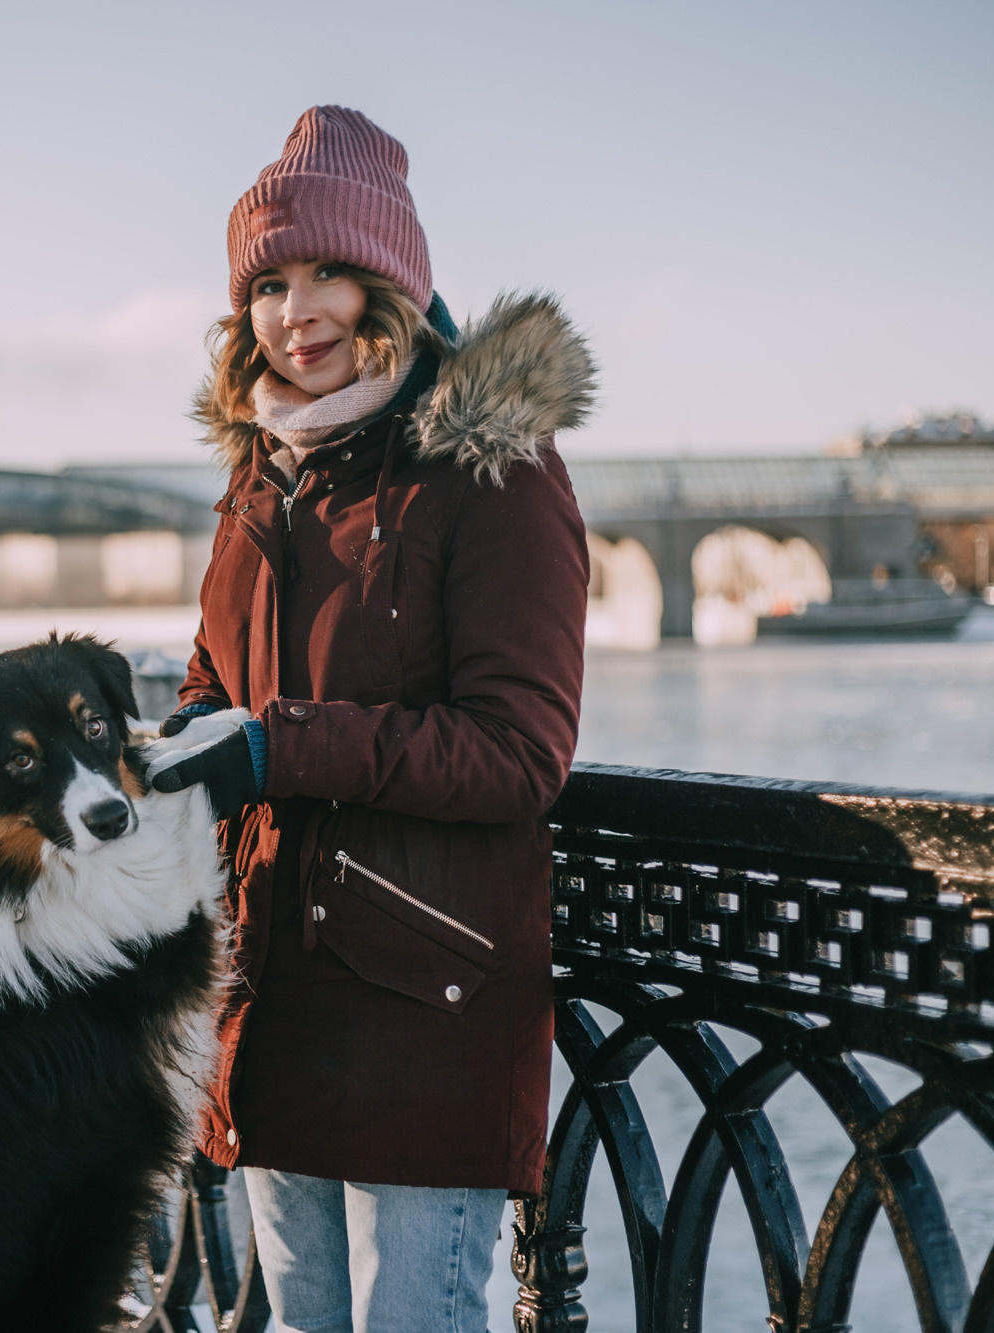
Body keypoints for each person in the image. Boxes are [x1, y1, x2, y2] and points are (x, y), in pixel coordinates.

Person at [148, 106, 595, 1333]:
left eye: (330, 274)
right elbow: (211, 679)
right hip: (278, 994)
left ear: (390, 287)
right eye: (270, 282)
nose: (297, 312)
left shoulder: (489, 467)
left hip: (422, 1003)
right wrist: (184, 742)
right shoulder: (266, 470)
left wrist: (271, 745)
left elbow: (517, 753)